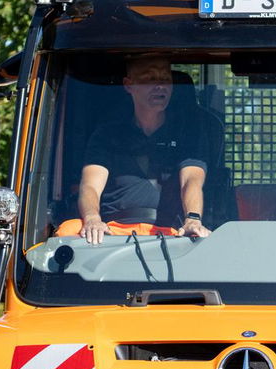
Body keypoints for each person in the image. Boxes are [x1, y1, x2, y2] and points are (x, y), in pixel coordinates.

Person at [70, 54, 209, 245]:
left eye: (166, 79)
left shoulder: (186, 132)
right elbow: (90, 186)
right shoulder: (108, 134)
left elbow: (191, 180)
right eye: (150, 78)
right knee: (66, 234)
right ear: (128, 85)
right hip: (112, 233)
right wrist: (93, 219)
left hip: (172, 233)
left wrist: (193, 218)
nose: (160, 85)